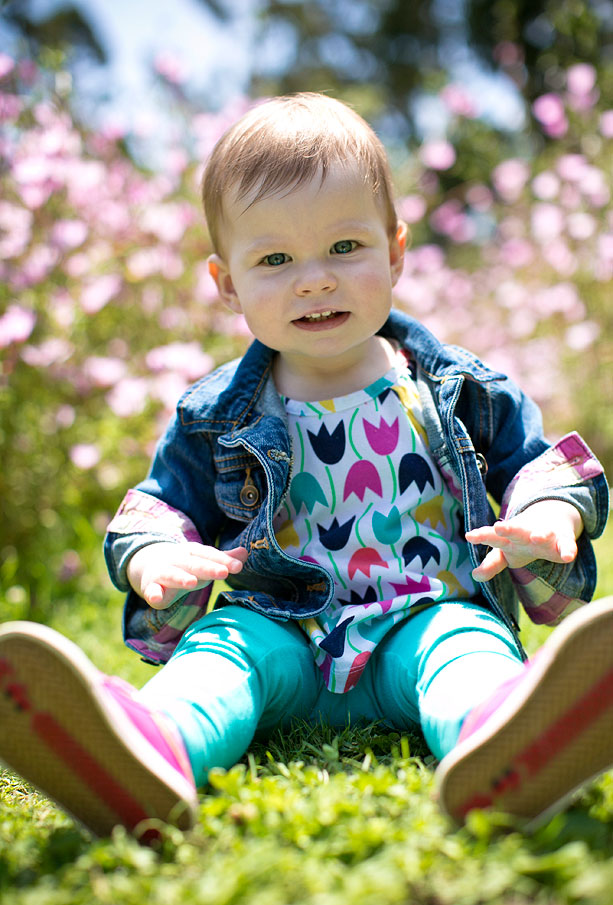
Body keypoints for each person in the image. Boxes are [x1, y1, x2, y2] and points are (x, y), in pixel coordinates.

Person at [0, 93, 610, 838]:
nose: (313, 279)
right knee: (217, 655)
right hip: (280, 633)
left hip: (423, 616)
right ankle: (150, 749)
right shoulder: (215, 412)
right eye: (276, 260)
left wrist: (549, 512)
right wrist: (154, 553)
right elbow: (161, 504)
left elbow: (534, 464)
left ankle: (503, 738)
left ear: (394, 252)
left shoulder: (458, 386)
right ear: (228, 284)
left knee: (466, 651)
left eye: (344, 249)